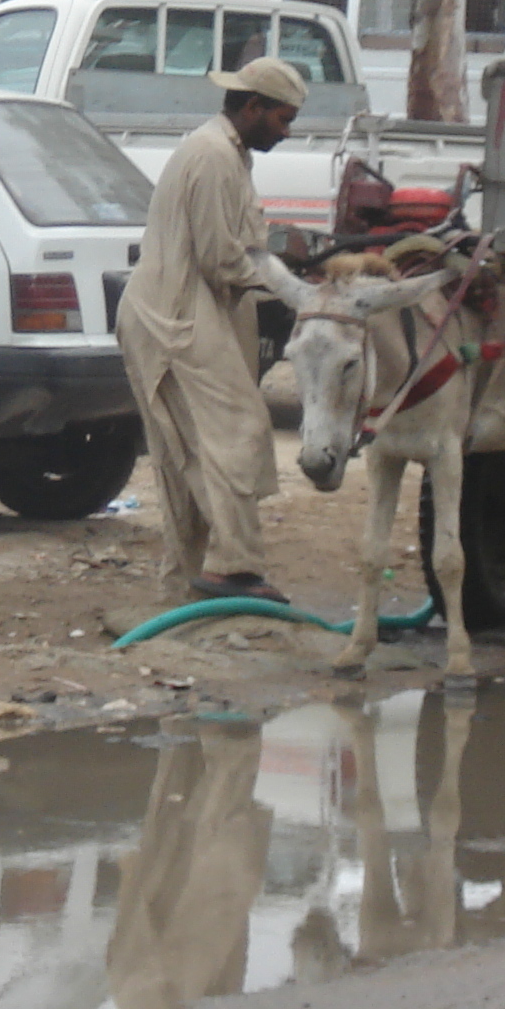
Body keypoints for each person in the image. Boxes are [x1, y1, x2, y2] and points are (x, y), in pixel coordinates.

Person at [116, 54, 307, 607]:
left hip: (177, 311)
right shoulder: (215, 156)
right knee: (240, 430)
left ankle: (183, 587)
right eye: (283, 120)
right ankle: (237, 570)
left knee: (187, 457)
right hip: (174, 315)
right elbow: (222, 260)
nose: (287, 132)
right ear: (253, 107)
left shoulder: (229, 154)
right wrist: (294, 287)